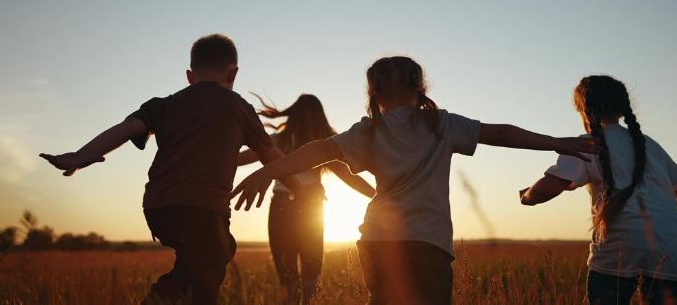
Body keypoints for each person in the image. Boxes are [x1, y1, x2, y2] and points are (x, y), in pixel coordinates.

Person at [230, 56, 598, 305]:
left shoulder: (368, 130)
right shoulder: (442, 124)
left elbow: (318, 150)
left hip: (378, 242)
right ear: (420, 86)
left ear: (373, 91)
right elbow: (499, 132)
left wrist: (266, 171)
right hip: (429, 243)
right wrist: (554, 142)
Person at [39, 34, 311, 305]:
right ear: (234, 74)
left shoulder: (163, 105)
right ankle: (158, 299)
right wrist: (301, 189)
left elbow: (125, 129)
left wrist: (81, 155)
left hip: (159, 208)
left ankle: (169, 295)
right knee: (210, 266)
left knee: (203, 260)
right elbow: (273, 158)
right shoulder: (239, 108)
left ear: (190, 76)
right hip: (204, 209)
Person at [520, 75, 677, 305]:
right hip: (670, 251)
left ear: (584, 110)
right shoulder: (649, 146)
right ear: (622, 108)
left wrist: (527, 196)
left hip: (618, 251)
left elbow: (544, 191)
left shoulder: (585, 144)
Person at [237, 93, 375, 304]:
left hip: (282, 207)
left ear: (293, 115)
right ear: (320, 118)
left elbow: (239, 159)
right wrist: (381, 196)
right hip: (312, 209)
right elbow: (350, 178)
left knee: (287, 279)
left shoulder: (277, 141)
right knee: (311, 278)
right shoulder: (326, 146)